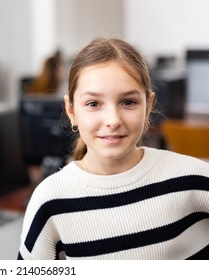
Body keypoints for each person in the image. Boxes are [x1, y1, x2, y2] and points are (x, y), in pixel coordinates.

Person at [18, 38, 209, 260]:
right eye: (93, 104)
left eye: (128, 102)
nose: (112, 120)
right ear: (71, 110)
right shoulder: (49, 199)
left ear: (148, 107)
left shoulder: (193, 178)